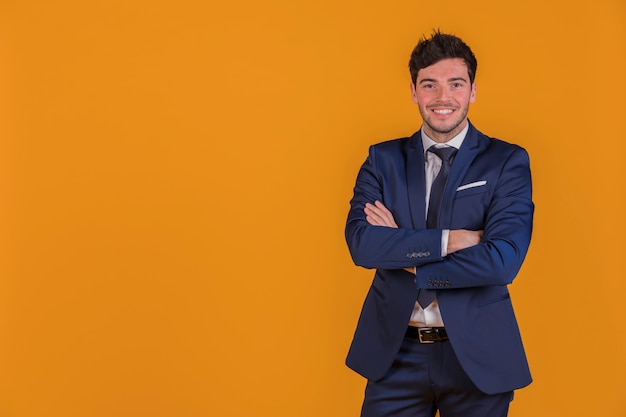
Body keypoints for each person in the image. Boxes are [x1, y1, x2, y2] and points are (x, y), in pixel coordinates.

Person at [344, 30, 533, 417]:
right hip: (396, 354)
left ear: (473, 91)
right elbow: (363, 245)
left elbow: (502, 261)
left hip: (478, 356)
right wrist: (452, 239)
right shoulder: (383, 160)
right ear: (414, 91)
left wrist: (404, 252)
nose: (442, 98)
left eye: (455, 84)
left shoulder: (506, 162)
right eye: (429, 85)